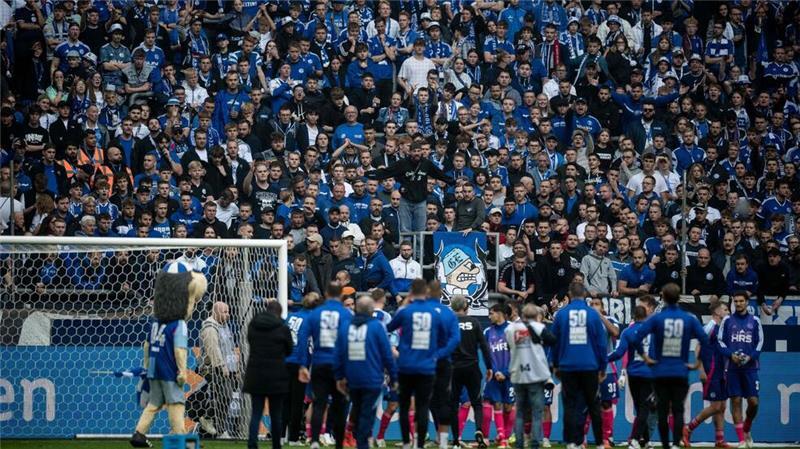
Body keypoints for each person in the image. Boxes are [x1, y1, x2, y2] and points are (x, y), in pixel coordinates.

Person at [630, 283, 710, 449]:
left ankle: (666, 444)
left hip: (660, 371)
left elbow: (637, 338)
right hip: (680, 370)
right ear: (679, 298)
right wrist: (698, 362)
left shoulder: (656, 319)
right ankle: (675, 444)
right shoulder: (689, 318)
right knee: (678, 409)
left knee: (662, 411)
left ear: (664, 298)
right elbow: (705, 340)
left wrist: (645, 357)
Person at [387, 278, 448, 449]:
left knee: (405, 407)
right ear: (426, 292)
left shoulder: (405, 311)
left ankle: (407, 443)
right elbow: (444, 337)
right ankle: (419, 444)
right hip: (426, 366)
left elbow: (390, 327)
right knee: (422, 406)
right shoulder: (434, 313)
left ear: (412, 292)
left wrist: (405, 304)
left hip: (406, 365)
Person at [334, 295, 398, 449]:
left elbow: (338, 354)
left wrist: (339, 377)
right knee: (366, 417)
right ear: (371, 311)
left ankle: (349, 437)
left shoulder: (345, 327)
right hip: (372, 379)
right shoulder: (377, 327)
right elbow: (387, 355)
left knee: (356, 409)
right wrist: (394, 378)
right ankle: (361, 443)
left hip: (352, 379)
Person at [296, 283, 353, 449]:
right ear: (340, 296)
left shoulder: (315, 313)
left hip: (320, 362)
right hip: (339, 365)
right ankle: (339, 442)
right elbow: (350, 341)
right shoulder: (346, 314)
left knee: (319, 402)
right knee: (340, 404)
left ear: (326, 294)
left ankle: (314, 440)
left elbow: (302, 338)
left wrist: (302, 365)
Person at [551, 281, 607, 449]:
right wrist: (602, 366)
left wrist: (555, 364)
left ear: (569, 294)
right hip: (590, 366)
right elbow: (601, 344)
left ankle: (571, 442)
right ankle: (599, 443)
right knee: (593, 406)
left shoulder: (561, 314)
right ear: (585, 294)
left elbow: (554, 342)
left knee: (570, 406)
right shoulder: (593, 314)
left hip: (567, 366)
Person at [366, 142, 455, 232]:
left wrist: (453, 181)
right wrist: (367, 174)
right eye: (414, 151)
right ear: (409, 152)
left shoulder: (426, 163)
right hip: (405, 200)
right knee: (405, 230)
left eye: (419, 151)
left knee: (421, 230)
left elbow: (440, 174)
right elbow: (386, 172)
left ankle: (420, 246)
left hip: (421, 201)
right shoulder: (402, 163)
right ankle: (406, 246)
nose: (417, 153)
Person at [242, 300, 293, 449]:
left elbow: (249, 341)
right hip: (276, 375)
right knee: (276, 414)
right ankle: (276, 445)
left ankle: (252, 444)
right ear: (279, 312)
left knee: (256, 413)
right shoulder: (283, 327)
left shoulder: (253, 324)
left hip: (255, 374)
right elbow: (289, 349)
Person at [607, 298, 656, 449]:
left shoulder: (628, 331)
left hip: (633, 373)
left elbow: (619, 353)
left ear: (634, 316)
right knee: (644, 408)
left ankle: (644, 442)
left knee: (640, 407)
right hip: (648, 374)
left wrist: (603, 358)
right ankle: (635, 440)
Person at [506, 304, 556, 449]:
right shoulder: (538, 327)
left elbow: (509, 346)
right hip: (535, 375)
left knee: (520, 411)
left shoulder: (511, 328)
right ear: (535, 315)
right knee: (536, 411)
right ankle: (534, 443)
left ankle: (519, 443)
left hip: (518, 374)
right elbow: (552, 340)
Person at [718, 291, 763, 448]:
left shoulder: (755, 321)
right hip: (732, 368)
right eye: (736, 301)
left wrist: (750, 357)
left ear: (747, 302)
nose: (738, 304)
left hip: (750, 368)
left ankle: (747, 428)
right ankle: (742, 440)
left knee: (754, 402)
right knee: (735, 401)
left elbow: (759, 343)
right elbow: (720, 343)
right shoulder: (727, 320)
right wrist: (731, 355)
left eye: (741, 301)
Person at [685, 300, 731, 448]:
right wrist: (701, 370)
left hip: (721, 370)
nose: (728, 312)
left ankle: (719, 440)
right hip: (711, 370)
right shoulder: (709, 327)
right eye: (725, 309)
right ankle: (688, 428)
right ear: (717, 312)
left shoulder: (721, 328)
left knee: (722, 406)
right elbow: (698, 347)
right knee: (716, 406)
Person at [449, 295, 493, 448]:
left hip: (454, 368)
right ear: (466, 307)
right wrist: (489, 367)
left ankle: (455, 440)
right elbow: (484, 346)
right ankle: (479, 430)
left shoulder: (450, 322)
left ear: (452, 307)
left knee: (454, 403)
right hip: (472, 367)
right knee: (477, 402)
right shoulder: (474, 322)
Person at [426, 280, 461, 449]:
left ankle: (423, 439)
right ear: (441, 294)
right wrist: (441, 354)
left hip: (425, 362)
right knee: (444, 400)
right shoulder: (448, 313)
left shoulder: (422, 312)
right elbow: (455, 339)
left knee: (427, 400)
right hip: (443, 362)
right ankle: (444, 441)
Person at [199, 301, 239, 437]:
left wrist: (235, 366)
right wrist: (222, 366)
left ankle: (209, 421)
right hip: (214, 368)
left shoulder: (225, 325)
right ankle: (218, 427)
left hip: (228, 368)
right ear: (215, 312)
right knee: (225, 395)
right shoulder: (210, 327)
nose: (228, 315)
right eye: (224, 312)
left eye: (228, 312)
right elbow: (213, 350)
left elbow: (230, 347)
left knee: (222, 397)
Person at [483, 303, 514, 448]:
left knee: (509, 407)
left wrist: (506, 373)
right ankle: (495, 438)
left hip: (511, 375)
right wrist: (495, 372)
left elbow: (518, 354)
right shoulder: (488, 332)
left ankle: (505, 437)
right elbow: (487, 355)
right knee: (493, 402)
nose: (489, 316)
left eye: (491, 313)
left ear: (500, 313)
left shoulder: (513, 329)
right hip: (494, 375)